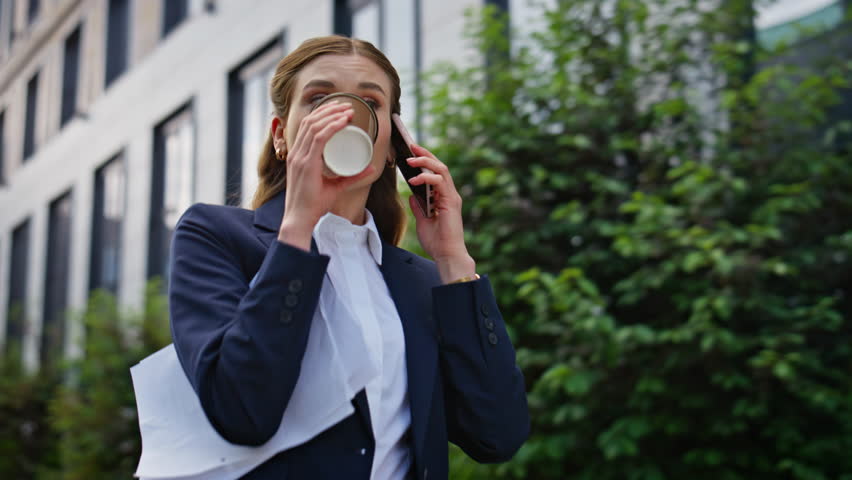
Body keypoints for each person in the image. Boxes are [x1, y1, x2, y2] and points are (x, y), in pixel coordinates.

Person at [168, 35, 529, 480]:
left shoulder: (419, 280)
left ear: (392, 143)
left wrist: (454, 261)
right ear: (282, 136)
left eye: (369, 103)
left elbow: (497, 435)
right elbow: (240, 411)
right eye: (319, 99)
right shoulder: (216, 236)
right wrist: (297, 226)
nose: (343, 118)